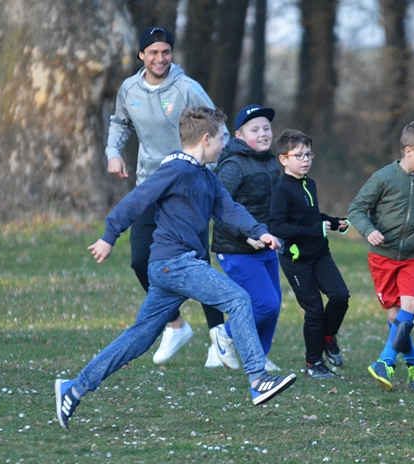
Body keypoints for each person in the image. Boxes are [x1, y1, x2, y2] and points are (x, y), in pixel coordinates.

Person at [55, 107, 297, 430]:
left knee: (139, 338)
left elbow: (228, 208)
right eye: (222, 138)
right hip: (175, 263)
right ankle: (258, 379)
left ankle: (73, 388)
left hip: (173, 269)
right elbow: (137, 200)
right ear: (206, 139)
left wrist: (258, 231)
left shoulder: (206, 176)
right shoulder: (176, 169)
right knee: (238, 300)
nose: (225, 145)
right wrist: (109, 235)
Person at [105, 27, 226, 368]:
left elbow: (219, 129)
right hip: (150, 183)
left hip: (188, 188)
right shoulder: (129, 89)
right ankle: (175, 325)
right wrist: (113, 152)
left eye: (166, 52)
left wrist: (207, 173)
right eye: (154, 52)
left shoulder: (187, 88)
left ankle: (219, 339)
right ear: (142, 55)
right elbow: (119, 123)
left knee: (198, 261)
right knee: (141, 260)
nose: (160, 59)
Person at [348, 120, 414, 392]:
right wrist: (368, 231)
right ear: (408, 150)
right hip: (382, 258)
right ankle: (413, 358)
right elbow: (356, 209)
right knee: (395, 319)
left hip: (412, 256)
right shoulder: (383, 178)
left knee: (410, 306)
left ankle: (385, 360)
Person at [269, 130, 350, 379]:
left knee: (340, 296)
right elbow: (277, 227)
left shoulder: (309, 184)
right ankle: (313, 364)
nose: (306, 160)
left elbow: (313, 218)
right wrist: (316, 229)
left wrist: (334, 223)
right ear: (284, 159)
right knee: (314, 311)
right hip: (296, 261)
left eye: (309, 154)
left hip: (320, 254)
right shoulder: (282, 190)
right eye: (299, 155)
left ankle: (327, 338)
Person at [208, 105, 284, 372]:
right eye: (255, 130)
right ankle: (225, 334)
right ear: (238, 135)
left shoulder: (271, 160)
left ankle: (259, 356)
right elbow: (218, 208)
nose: (263, 134)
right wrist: (245, 236)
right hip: (237, 247)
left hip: (264, 243)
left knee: (274, 303)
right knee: (265, 303)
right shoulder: (233, 166)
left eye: (266, 128)